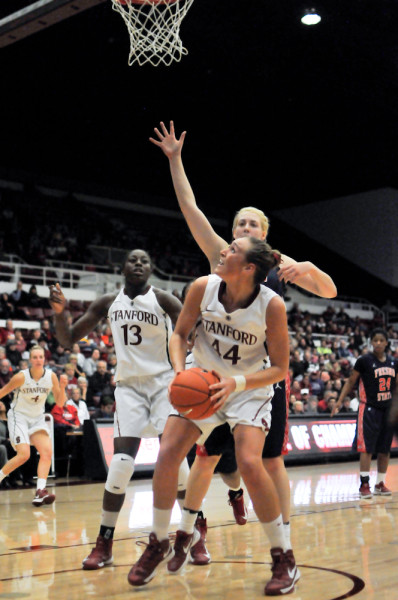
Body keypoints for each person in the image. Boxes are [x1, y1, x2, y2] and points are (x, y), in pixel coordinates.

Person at [149, 121, 337, 562]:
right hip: (214, 375)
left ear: (264, 234)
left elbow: (329, 291)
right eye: (239, 224)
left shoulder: (279, 268)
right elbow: (190, 208)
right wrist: (176, 160)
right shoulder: (221, 258)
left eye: (252, 223)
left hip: (259, 379)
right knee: (204, 458)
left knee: (267, 462)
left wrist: (307, 268)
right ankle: (190, 532)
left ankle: (282, 536)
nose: (244, 228)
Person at [128, 237, 297, 595]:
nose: (223, 251)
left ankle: (283, 555)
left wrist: (236, 383)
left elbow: (280, 368)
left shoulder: (272, 305)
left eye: (233, 250)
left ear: (250, 268)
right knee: (169, 451)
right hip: (202, 379)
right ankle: (159, 541)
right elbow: (179, 334)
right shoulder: (203, 287)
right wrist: (178, 371)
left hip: (246, 387)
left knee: (250, 463)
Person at [49, 248, 188, 570]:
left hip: (164, 384)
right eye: (133, 260)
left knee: (174, 459)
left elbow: (192, 335)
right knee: (121, 465)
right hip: (128, 388)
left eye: (145, 260)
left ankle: (193, 531)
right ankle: (105, 542)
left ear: (151, 270)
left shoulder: (165, 300)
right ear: (122, 267)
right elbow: (68, 339)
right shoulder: (108, 302)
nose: (138, 264)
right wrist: (59, 313)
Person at [332, 328, 397, 499]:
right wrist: (339, 401)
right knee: (366, 449)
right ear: (371, 342)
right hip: (368, 409)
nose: (377, 343)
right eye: (374, 340)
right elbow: (351, 381)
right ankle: (364, 483)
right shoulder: (364, 361)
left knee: (384, 449)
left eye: (381, 340)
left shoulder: (393, 362)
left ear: (386, 343)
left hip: (388, 410)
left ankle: (380, 483)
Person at [0, 345, 66, 505]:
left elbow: (59, 402)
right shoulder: (21, 377)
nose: (38, 360)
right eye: (35, 357)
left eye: (41, 357)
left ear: (45, 359)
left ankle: (40, 491)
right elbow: (2, 392)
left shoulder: (51, 377)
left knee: (46, 452)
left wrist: (62, 387)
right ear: (30, 360)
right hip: (19, 416)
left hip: (37, 418)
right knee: (24, 455)